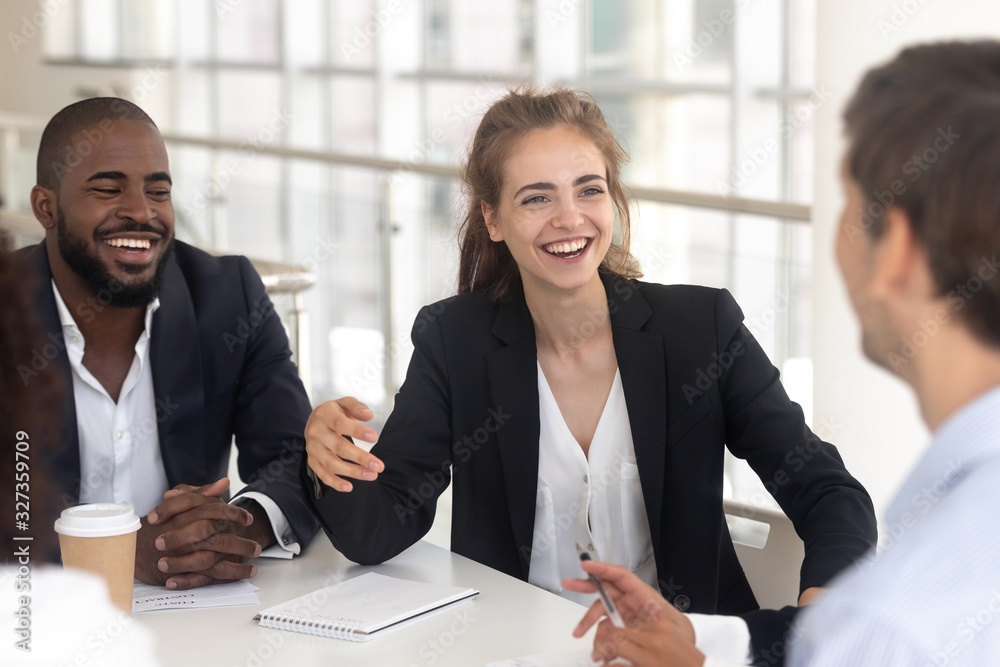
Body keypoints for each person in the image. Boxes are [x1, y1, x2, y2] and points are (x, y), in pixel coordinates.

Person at [303, 88, 876, 620]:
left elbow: (828, 490)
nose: (570, 218)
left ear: (613, 199)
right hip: (516, 648)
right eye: (536, 198)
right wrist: (332, 460)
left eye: (589, 189)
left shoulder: (701, 330)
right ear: (493, 219)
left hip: (680, 650)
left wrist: (821, 612)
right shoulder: (456, 341)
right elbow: (377, 532)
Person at [563, 39, 1000, 666]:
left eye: (849, 203)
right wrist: (707, 644)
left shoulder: (891, 621)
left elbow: (831, 506)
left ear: (896, 250)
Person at [15, 97, 318, 590]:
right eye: (108, 189)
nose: (141, 211)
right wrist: (106, 554)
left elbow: (294, 457)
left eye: (158, 191)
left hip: (189, 615)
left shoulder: (227, 297)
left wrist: (231, 528)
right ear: (46, 207)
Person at [1, 244, 163, 665]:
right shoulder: (73, 630)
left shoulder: (222, 289)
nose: (139, 209)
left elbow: (286, 451)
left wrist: (247, 524)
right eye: (107, 188)